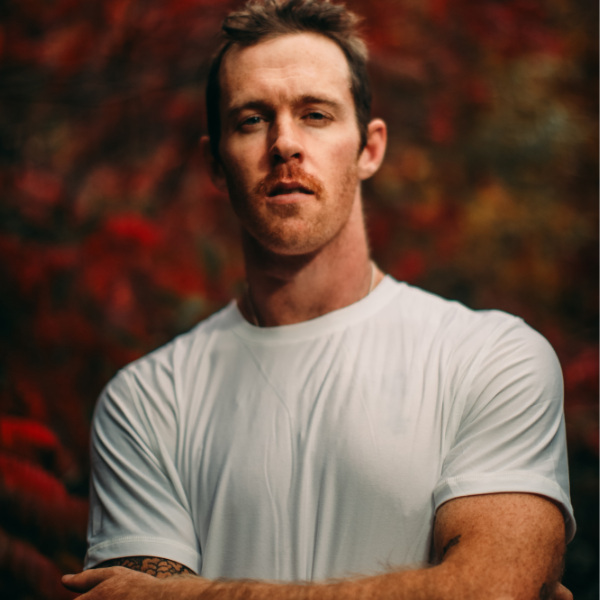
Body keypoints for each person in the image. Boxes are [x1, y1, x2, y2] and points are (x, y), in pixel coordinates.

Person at [63, 0, 575, 598]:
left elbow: (489, 591)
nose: (285, 144)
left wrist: (191, 593)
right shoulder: (146, 402)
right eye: (252, 119)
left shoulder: (492, 358)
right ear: (214, 163)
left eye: (315, 114)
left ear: (370, 147)